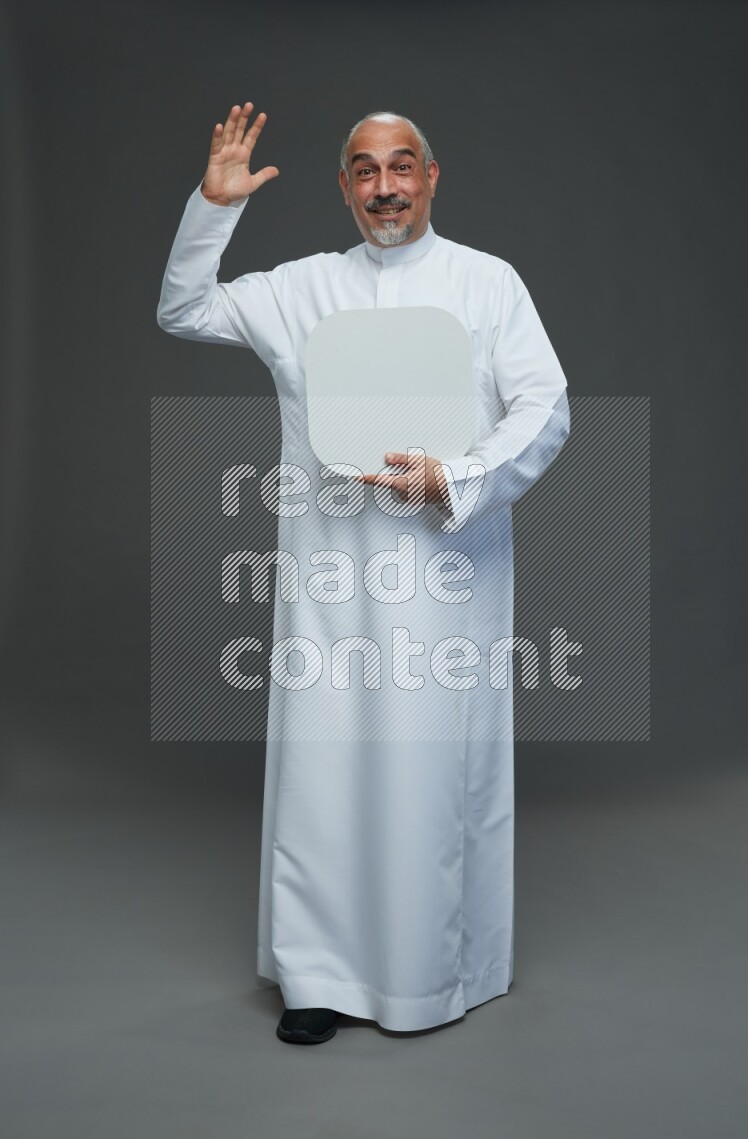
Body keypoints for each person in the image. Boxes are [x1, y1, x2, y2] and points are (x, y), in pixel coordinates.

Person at [157, 102, 570, 1045]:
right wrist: (210, 209)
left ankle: (433, 973)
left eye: (402, 166)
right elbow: (183, 309)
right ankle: (315, 975)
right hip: (329, 582)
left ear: (431, 176)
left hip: (444, 580)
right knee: (323, 772)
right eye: (364, 170)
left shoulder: (487, 283)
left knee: (429, 777)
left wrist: (455, 476)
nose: (385, 186)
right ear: (344, 186)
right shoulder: (300, 290)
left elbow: (544, 408)